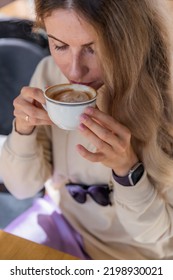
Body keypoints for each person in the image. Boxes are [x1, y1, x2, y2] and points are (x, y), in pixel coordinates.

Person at [0, 0, 173, 260]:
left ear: (129, 39)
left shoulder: (165, 98)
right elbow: (22, 189)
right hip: (67, 225)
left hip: (142, 255)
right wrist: (23, 130)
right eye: (59, 45)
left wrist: (127, 170)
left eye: (92, 49)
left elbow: (155, 234)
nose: (74, 71)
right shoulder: (49, 75)